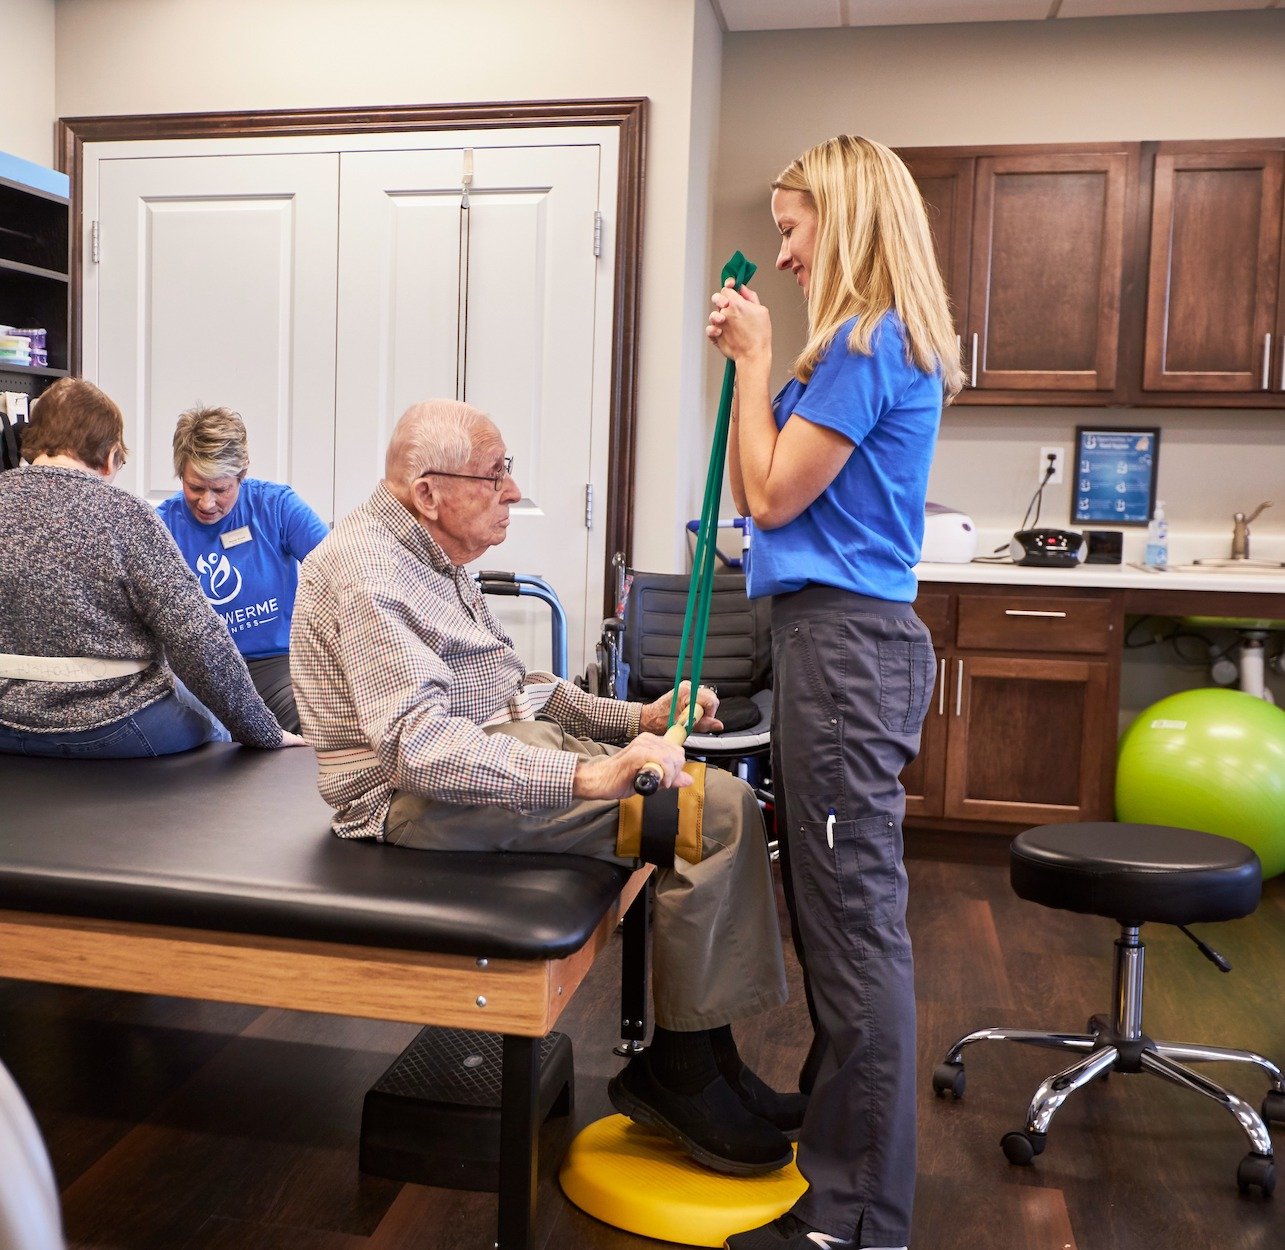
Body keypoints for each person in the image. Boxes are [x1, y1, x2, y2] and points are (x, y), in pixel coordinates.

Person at [291, 398, 806, 1175]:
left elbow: (515, 686)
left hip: (486, 755)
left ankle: (708, 1059)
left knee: (717, 805)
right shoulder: (370, 573)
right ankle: (684, 1073)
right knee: (716, 815)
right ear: (429, 491)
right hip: (409, 802)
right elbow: (419, 750)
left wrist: (633, 714)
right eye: (495, 475)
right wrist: (588, 775)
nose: (512, 491)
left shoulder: (432, 556)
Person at [706, 135, 965, 1250]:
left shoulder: (866, 341)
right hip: (824, 641)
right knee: (834, 920)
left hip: (845, 648)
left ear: (846, 219)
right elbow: (772, 493)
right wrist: (757, 372)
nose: (784, 251)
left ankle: (853, 1222)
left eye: (794, 227)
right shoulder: (861, 346)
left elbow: (767, 497)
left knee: (852, 930)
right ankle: (841, 1178)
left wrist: (754, 365)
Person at [0, 378, 302, 756]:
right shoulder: (128, 515)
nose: (208, 503)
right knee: (220, 731)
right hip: (113, 726)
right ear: (110, 456)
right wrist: (262, 732)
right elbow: (198, 639)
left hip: (6, 723)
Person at [157, 406, 329, 733]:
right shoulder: (161, 526)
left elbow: (342, 571)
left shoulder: (276, 506)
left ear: (241, 476)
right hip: (200, 675)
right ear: (181, 474)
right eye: (195, 488)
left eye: (221, 490)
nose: (207, 503)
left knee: (314, 716)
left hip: (273, 668)